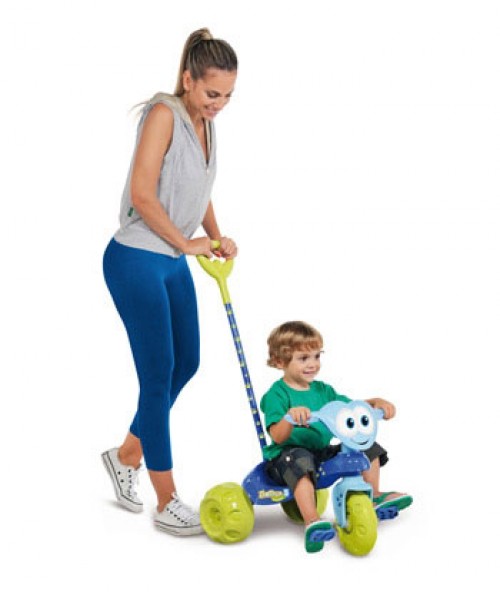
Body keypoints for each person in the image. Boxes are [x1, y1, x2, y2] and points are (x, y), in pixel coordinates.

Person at [101, 28, 238, 536]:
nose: (219, 104)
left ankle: (125, 454)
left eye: (228, 95)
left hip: (172, 258)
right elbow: (143, 193)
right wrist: (187, 243)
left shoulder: (206, 124)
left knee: (187, 363)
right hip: (137, 256)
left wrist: (216, 237)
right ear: (188, 79)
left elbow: (198, 187)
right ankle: (166, 501)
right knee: (157, 375)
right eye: (212, 93)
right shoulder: (164, 114)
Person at [260, 321, 412, 552]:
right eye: (303, 358)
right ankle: (312, 521)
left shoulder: (323, 390)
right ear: (280, 362)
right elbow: (278, 436)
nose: (313, 364)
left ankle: (374, 496)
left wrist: (374, 403)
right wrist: (290, 418)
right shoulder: (276, 394)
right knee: (299, 460)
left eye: (316, 356)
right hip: (285, 456)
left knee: (365, 447)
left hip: (321, 453)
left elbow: (349, 408)